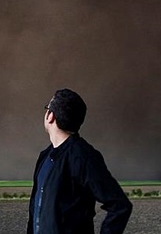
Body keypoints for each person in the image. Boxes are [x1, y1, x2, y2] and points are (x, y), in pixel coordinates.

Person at [27, 88, 132, 234]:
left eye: (47, 108)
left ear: (50, 116)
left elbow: (120, 205)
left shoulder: (83, 156)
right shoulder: (45, 156)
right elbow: (36, 209)